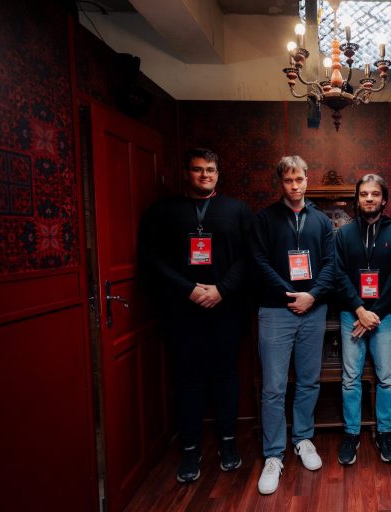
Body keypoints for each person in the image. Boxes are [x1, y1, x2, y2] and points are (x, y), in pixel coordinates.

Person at [138, 147, 253, 484]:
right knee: (188, 379)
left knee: (226, 376)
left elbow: (250, 256)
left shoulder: (237, 210)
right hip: (182, 310)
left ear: (218, 174)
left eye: (211, 170)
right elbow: (150, 257)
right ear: (186, 173)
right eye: (198, 169)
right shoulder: (163, 211)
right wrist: (187, 288)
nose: (205, 175)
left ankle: (228, 443)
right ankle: (190, 449)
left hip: (226, 308)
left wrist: (222, 289)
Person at [252, 155, 335, 495]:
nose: (295, 185)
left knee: (308, 380)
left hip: (313, 310)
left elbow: (331, 264)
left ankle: (302, 438)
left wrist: (311, 296)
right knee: (273, 387)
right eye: (288, 180)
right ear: (281, 183)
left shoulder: (322, 221)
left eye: (299, 179)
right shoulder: (264, 219)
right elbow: (258, 261)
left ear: (307, 179)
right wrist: (289, 294)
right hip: (276, 310)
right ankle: (273, 454)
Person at [334, 174, 391, 465]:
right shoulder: (344, 234)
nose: (369, 198)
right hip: (352, 314)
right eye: (364, 194)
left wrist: (375, 313)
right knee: (350, 380)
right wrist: (360, 310)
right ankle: (352, 433)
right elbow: (338, 274)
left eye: (375, 194)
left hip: (385, 317)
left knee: (387, 379)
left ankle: (384, 432)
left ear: (384, 199)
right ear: (358, 199)